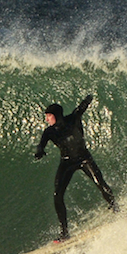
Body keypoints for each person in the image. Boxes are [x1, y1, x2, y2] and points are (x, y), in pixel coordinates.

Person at [35, 95, 117, 241]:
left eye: (48, 116)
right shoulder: (49, 132)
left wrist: (90, 98)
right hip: (66, 162)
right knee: (57, 195)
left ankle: (116, 209)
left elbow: (81, 108)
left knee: (100, 183)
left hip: (84, 158)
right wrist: (40, 150)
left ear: (56, 115)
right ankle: (64, 233)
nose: (46, 119)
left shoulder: (73, 118)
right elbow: (41, 144)